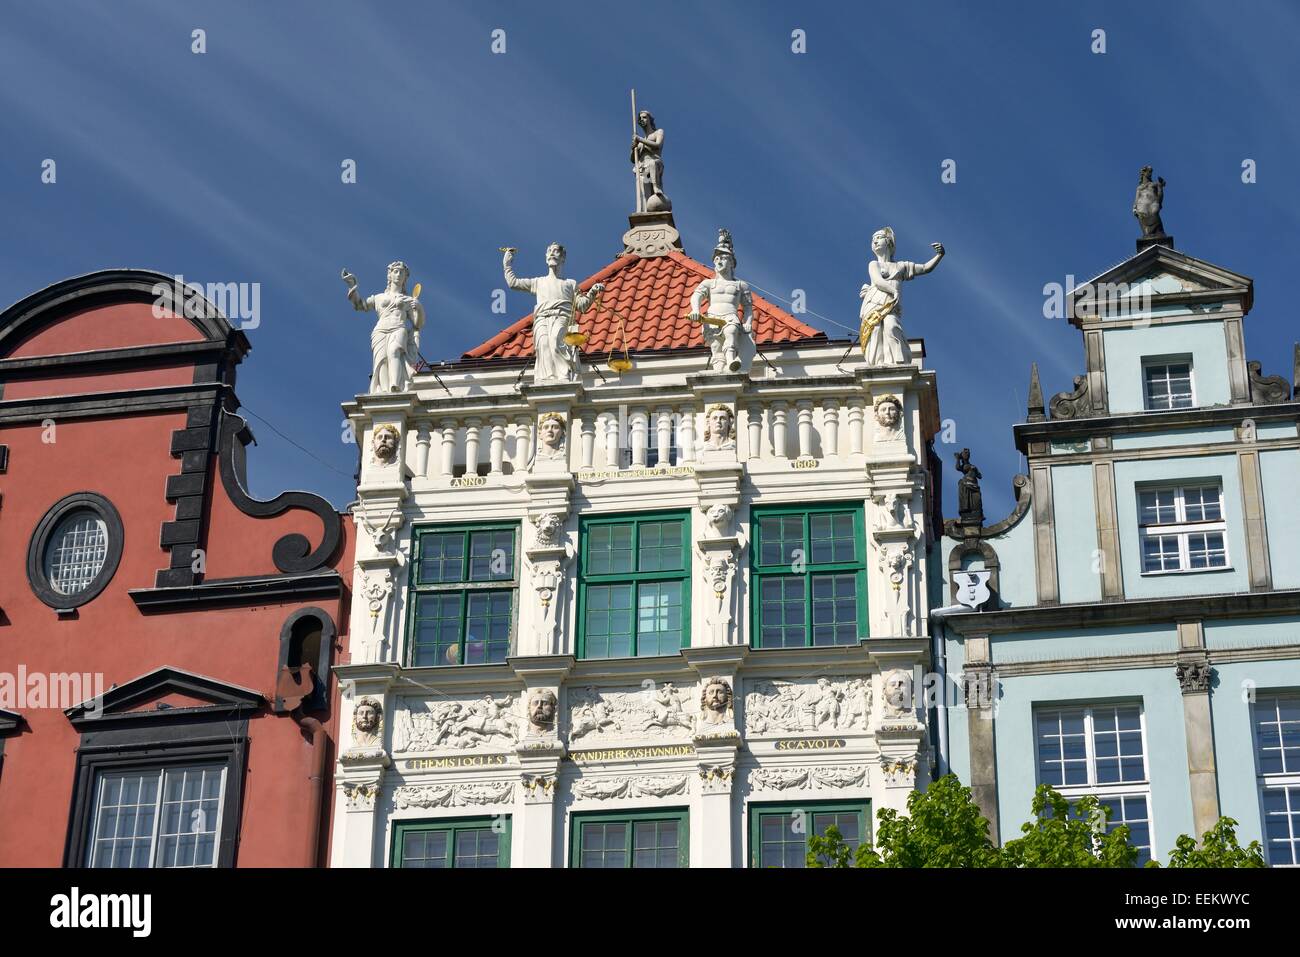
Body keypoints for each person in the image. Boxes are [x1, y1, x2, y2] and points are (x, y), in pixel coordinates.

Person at [503, 244, 604, 383]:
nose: (551, 253)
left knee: (556, 341)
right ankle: (547, 379)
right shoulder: (538, 282)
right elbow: (513, 283)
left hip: (561, 317)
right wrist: (507, 264)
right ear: (546, 258)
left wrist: (592, 292)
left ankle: (563, 377)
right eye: (549, 251)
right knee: (543, 345)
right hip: (542, 319)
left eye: (556, 251)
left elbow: (582, 306)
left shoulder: (570, 283)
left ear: (562, 258)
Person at [859, 228, 943, 367]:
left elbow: (925, 268)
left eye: (879, 237)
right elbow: (878, 280)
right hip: (874, 303)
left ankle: (897, 361)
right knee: (875, 331)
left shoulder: (900, 266)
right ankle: (878, 364)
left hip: (891, 306)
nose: (875, 241)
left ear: (889, 242)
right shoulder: (874, 264)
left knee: (891, 326)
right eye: (873, 239)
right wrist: (894, 290)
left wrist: (939, 255)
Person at [342, 261, 425, 392]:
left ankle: (395, 386)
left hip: (398, 327)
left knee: (394, 351)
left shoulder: (408, 300)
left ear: (405, 278)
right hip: (380, 330)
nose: (398, 275)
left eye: (401, 273)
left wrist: (419, 308)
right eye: (395, 271)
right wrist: (352, 285)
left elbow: (417, 324)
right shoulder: (379, 298)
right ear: (390, 275)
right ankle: (384, 391)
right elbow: (359, 304)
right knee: (382, 360)